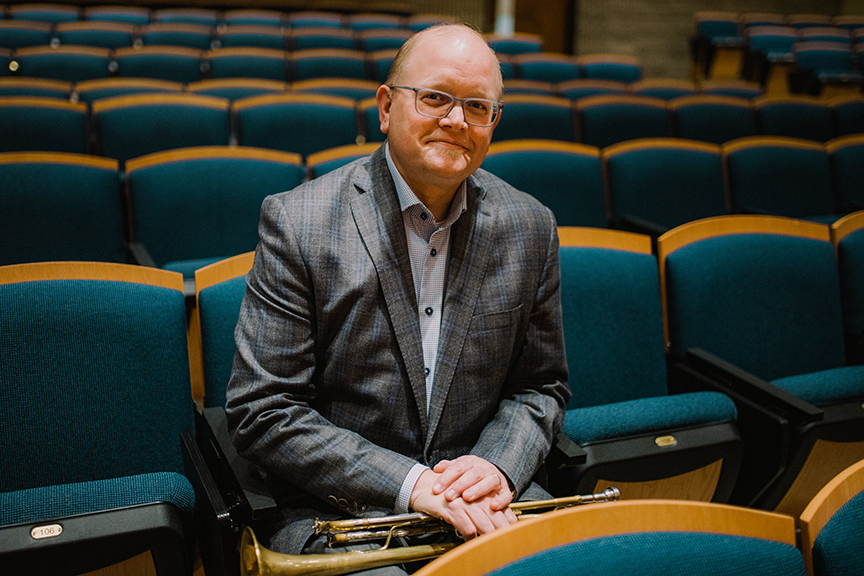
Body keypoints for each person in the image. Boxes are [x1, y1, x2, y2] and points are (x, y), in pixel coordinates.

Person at [226, 22, 570, 571]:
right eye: (435, 98)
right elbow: (264, 411)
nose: (456, 121)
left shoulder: (531, 225)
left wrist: (497, 465)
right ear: (386, 107)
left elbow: (540, 387)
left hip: (484, 495)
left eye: (477, 106)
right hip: (342, 511)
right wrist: (410, 483)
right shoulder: (299, 222)